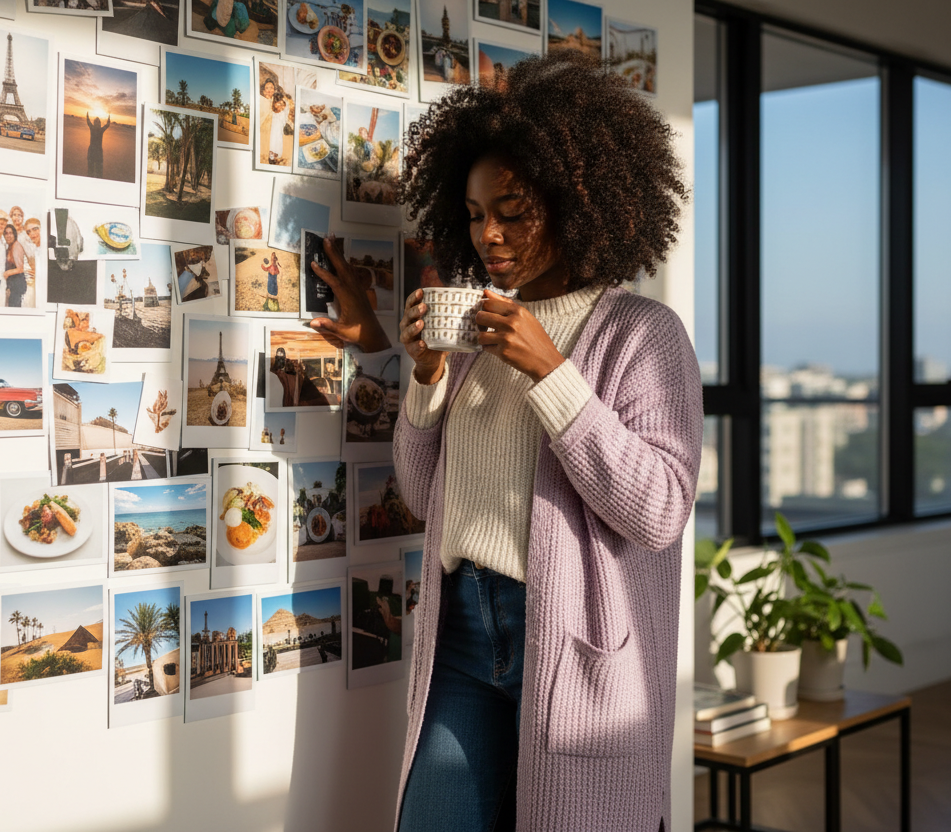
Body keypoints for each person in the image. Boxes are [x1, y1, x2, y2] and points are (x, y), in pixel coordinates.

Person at [306, 51, 700, 832]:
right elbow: (426, 497)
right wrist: (423, 375)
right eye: (477, 212)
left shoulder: (643, 335)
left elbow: (659, 509)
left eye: (512, 210)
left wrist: (551, 373)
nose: (489, 233)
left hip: (574, 644)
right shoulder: (475, 333)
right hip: (461, 628)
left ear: (572, 201)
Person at [3, 224, 27, 308]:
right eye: (6, 233)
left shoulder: (16, 246)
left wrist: (6, 273)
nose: (8, 236)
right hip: (13, 285)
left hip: (17, 285)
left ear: (14, 234)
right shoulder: (10, 247)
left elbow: (20, 268)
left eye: (11, 233)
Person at [85, 111, 111, 178]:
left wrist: (87, 115)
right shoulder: (99, 129)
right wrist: (109, 117)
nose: (97, 123)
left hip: (95, 150)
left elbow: (88, 121)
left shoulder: (95, 128)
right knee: (95, 169)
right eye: (97, 121)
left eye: (97, 122)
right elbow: (107, 124)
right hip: (95, 151)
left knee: (94, 169)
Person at [267, 91, 288, 166]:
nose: (280, 105)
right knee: (273, 141)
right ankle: (272, 156)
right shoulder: (273, 112)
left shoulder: (283, 109)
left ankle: (276, 155)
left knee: (279, 141)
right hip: (274, 128)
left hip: (280, 128)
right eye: (278, 103)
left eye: (281, 103)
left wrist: (283, 105)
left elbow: (285, 108)